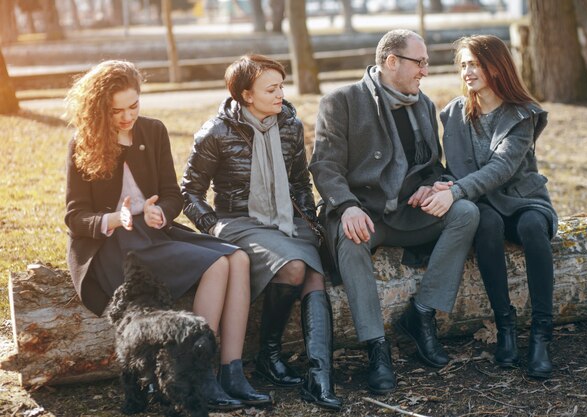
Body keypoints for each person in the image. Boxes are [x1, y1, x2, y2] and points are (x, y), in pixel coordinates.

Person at [63, 60, 271, 410]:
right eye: (117, 111)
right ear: (99, 109)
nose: (128, 117)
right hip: (114, 245)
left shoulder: (153, 131)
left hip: (156, 232)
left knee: (238, 256)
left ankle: (231, 371)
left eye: (134, 106)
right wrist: (116, 217)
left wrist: (163, 211)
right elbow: (74, 216)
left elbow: (172, 193)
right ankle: (199, 375)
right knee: (218, 265)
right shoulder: (82, 143)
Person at [309, 29, 480, 394]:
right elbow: (325, 167)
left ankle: (421, 315)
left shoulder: (423, 104)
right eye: (419, 63)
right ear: (391, 62)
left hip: (410, 211)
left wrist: (435, 184)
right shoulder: (341, 102)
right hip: (365, 212)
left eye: (426, 64)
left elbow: (432, 164)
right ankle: (377, 348)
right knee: (352, 239)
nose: (424, 71)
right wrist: (348, 207)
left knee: (465, 212)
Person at [180, 54, 342, 411]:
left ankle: (319, 377)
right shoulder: (216, 132)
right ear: (246, 95)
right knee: (296, 267)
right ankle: (270, 354)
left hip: (287, 218)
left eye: (281, 86)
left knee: (314, 272)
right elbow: (189, 191)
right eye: (271, 88)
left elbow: (300, 182)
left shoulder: (290, 125)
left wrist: (309, 223)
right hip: (238, 222)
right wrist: (211, 226)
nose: (280, 93)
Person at [438, 35, 558, 378]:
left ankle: (540, 335)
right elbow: (454, 166)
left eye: (473, 63)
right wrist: (444, 183)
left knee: (533, 227)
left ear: (496, 65)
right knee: (484, 223)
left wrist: (457, 189)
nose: (467, 71)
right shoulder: (454, 114)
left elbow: (502, 168)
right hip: (482, 203)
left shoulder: (522, 114)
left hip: (523, 199)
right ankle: (505, 329)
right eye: (463, 65)